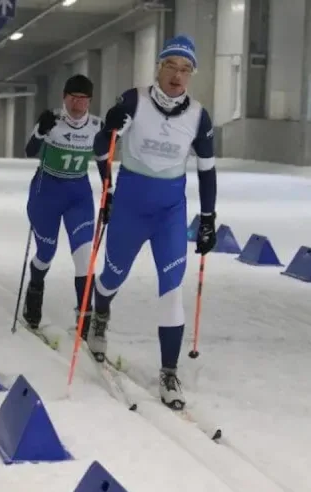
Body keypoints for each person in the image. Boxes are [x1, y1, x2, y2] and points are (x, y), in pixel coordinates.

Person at [88, 35, 218, 410]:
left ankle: (169, 372)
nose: (178, 75)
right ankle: (100, 315)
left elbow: (207, 170)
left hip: (169, 213)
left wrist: (208, 218)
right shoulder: (135, 100)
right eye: (171, 66)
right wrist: (108, 129)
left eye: (186, 69)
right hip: (131, 207)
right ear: (159, 68)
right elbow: (100, 150)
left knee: (171, 289)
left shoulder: (199, 116)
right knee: (111, 277)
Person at [21, 74, 109, 337]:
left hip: (78, 196)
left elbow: (103, 161)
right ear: (64, 97)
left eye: (83, 99)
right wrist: (40, 131)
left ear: (90, 101)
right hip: (46, 193)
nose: (77, 104)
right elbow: (29, 151)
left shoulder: (97, 127)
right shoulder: (52, 120)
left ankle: (84, 319)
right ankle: (35, 288)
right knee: (46, 253)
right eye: (73, 98)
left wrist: (110, 192)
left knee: (84, 259)